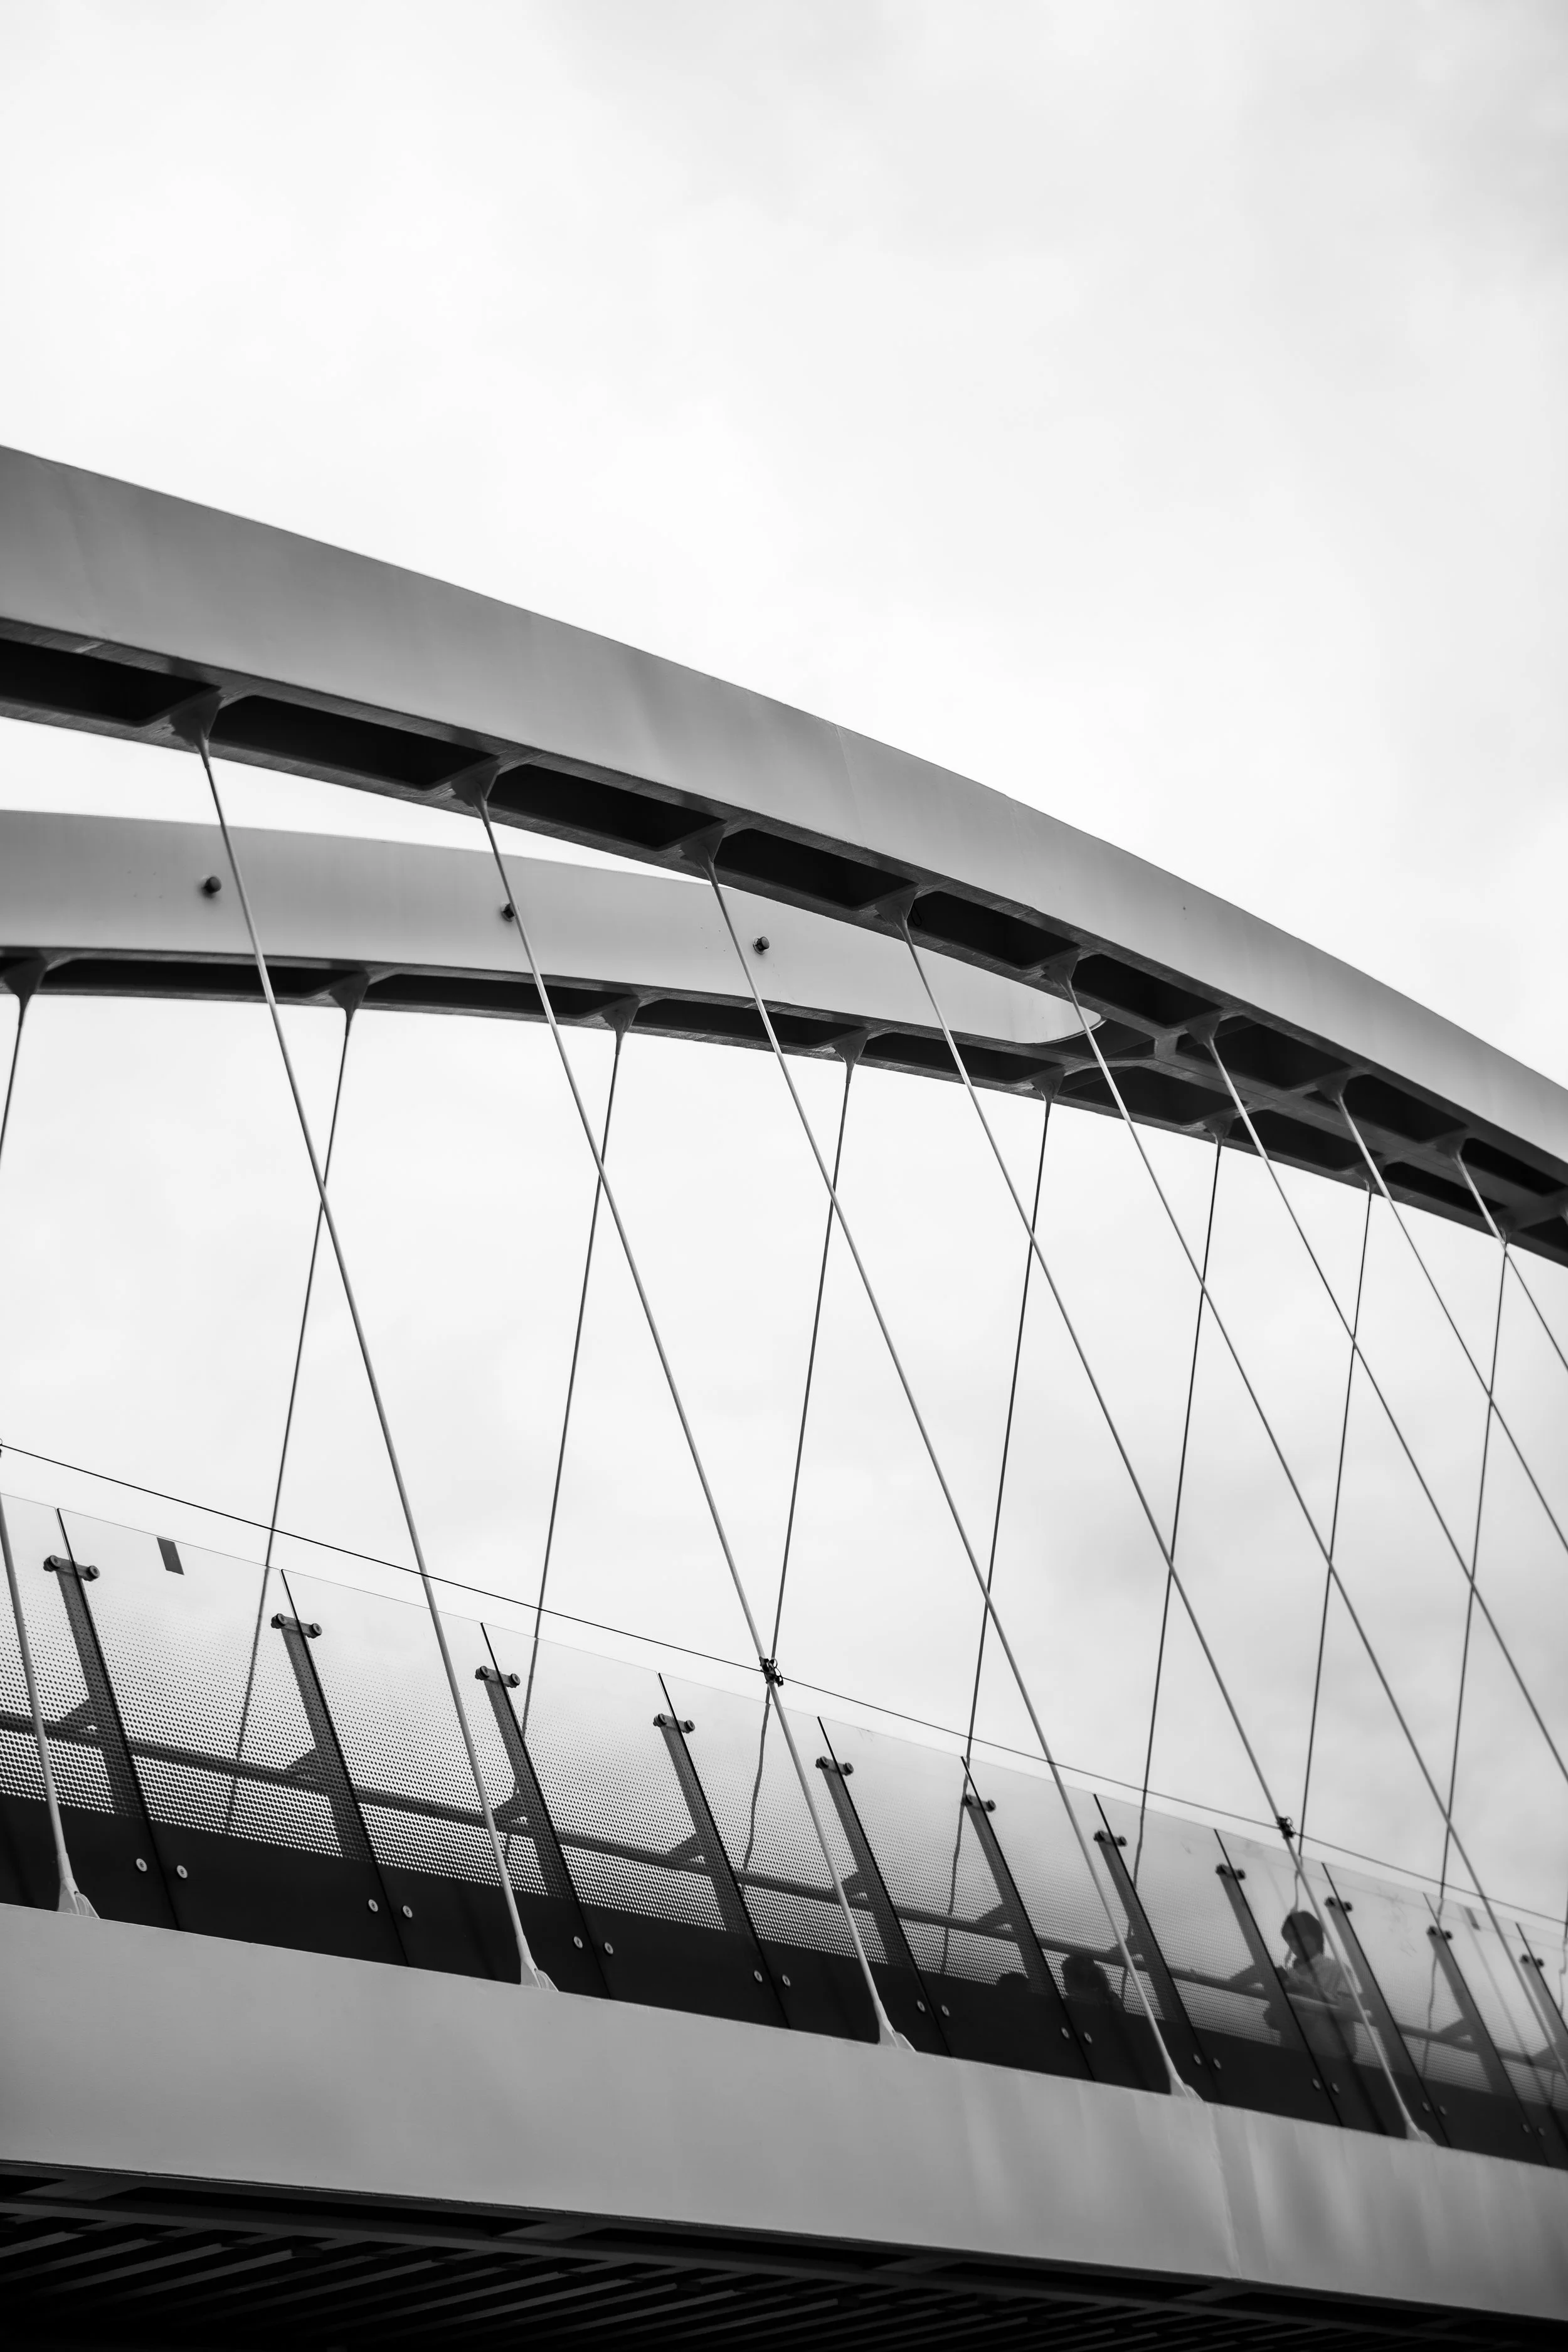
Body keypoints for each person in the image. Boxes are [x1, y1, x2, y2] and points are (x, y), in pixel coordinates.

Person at [1278, 1909, 1359, 2069]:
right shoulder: (1288, 1974)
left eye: (1297, 1936)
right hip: (1294, 2057)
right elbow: (1273, 2019)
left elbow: (1349, 2010)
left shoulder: (1338, 1969)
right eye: (1288, 1938)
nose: (1293, 1943)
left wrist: (1313, 1992)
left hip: (1335, 2062)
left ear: (1315, 1937)